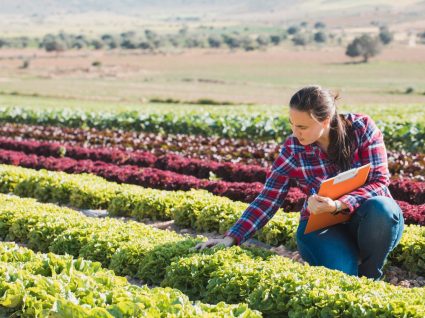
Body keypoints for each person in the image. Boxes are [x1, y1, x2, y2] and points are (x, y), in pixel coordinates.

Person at [194, 85, 404, 280]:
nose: (295, 132)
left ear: (325, 120)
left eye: (302, 126)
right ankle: (345, 260)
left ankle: (370, 275)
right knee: (344, 276)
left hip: (370, 220)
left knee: (382, 207)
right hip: (322, 226)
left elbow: (379, 181)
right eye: (292, 125)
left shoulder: (362, 129)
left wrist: (339, 204)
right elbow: (268, 198)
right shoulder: (293, 148)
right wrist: (231, 238)